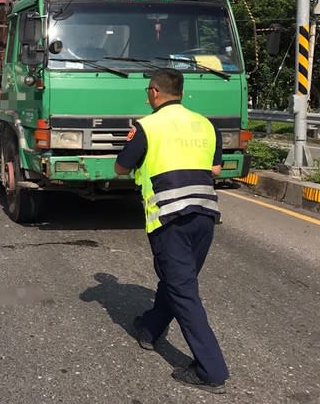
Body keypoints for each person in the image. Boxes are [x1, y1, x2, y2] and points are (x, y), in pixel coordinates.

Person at [114, 68, 229, 395]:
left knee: (184, 291)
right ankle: (150, 328)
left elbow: (121, 167)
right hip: (205, 215)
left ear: (154, 93)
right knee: (177, 279)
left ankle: (211, 370)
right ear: (181, 92)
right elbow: (215, 168)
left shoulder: (146, 126)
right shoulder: (206, 124)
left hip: (169, 218)